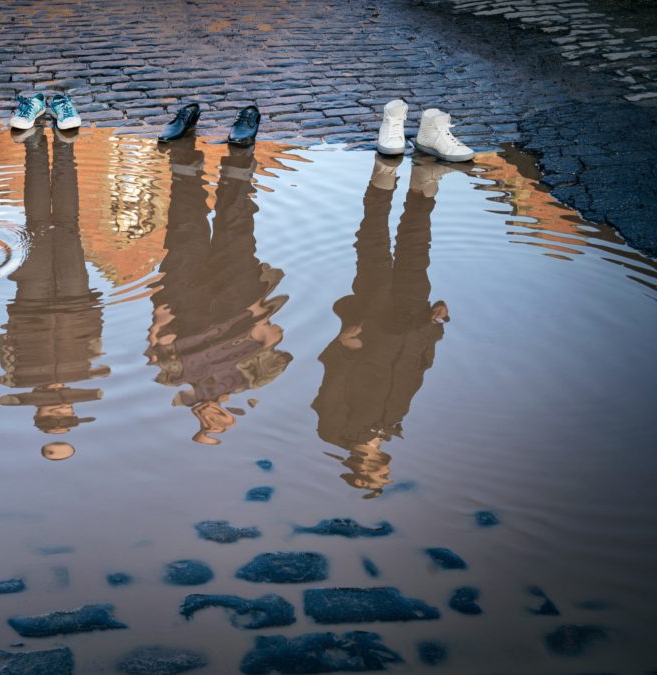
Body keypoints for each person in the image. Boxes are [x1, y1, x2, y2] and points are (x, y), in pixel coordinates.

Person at [311, 154, 454, 497]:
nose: (387, 478)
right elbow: (416, 373)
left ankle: (383, 177)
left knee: (373, 248)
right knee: (417, 250)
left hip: (371, 325)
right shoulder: (391, 426)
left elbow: (329, 389)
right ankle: (423, 180)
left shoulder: (334, 431)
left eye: (380, 481)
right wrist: (434, 327)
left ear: (361, 478)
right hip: (413, 322)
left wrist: (344, 348)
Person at [145, 137, 291, 445]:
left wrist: (159, 313)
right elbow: (274, 337)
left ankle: (184, 155)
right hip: (238, 299)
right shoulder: (256, 379)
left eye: (204, 426)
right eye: (218, 426)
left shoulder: (173, 379)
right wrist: (258, 314)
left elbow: (156, 342)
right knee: (236, 228)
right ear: (231, 419)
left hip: (186, 300)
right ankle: (240, 158)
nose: (211, 420)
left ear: (195, 418)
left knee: (185, 228)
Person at [0, 126, 109, 435]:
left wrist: (16, 322)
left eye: (51, 419)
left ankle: (34, 147)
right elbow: (96, 343)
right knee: (68, 225)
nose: (59, 413)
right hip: (75, 300)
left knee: (38, 226)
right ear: (73, 413)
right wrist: (90, 311)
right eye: (65, 419)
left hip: (30, 304)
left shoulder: (17, 379)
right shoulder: (84, 376)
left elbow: (5, 345)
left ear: (39, 413)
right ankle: (63, 147)